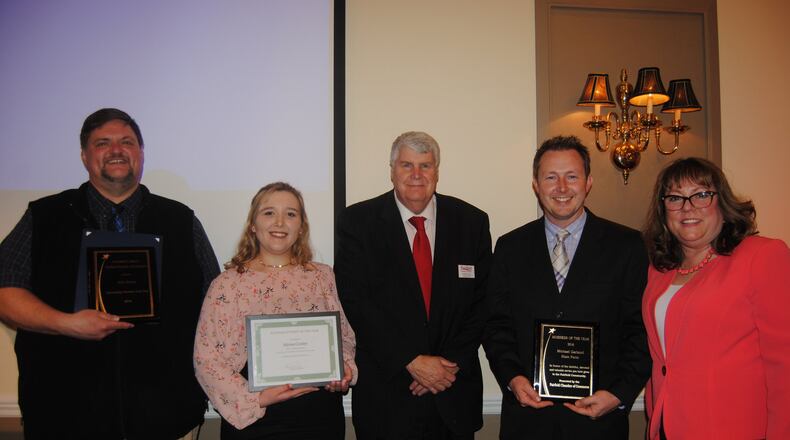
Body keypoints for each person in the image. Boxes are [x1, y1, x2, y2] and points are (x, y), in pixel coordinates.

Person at [0, 108, 220, 439]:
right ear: (84, 156)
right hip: (63, 414)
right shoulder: (45, 217)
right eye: (103, 143)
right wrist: (66, 323)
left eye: (127, 142)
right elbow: (5, 291)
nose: (116, 150)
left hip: (165, 415)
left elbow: (216, 303)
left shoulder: (180, 220)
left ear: (140, 153)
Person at [483, 135, 651, 439]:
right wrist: (513, 378)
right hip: (527, 422)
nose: (561, 188)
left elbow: (641, 329)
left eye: (571, 176)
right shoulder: (510, 247)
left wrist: (618, 393)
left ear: (588, 182)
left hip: (599, 424)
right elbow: (497, 325)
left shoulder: (626, 246)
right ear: (536, 184)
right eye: (551, 177)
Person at [334, 131, 492, 439]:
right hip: (387, 397)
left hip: (453, 394)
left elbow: (484, 301)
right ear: (391, 170)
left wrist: (446, 366)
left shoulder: (471, 222)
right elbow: (356, 302)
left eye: (426, 165)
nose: (417, 175)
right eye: (407, 165)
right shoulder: (357, 222)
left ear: (437, 171)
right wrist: (412, 361)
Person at [641, 157, 790, 439]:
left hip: (731, 428)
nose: (687, 208)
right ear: (664, 209)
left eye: (701, 195)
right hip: (666, 424)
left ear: (721, 203)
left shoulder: (761, 256)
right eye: (675, 198)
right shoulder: (659, 271)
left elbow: (785, 365)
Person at [194, 181, 356, 439]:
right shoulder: (228, 284)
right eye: (269, 213)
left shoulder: (322, 277)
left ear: (301, 226)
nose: (280, 222)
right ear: (253, 225)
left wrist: (343, 368)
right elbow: (207, 360)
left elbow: (345, 338)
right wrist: (257, 397)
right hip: (257, 421)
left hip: (319, 418)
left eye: (291, 214)